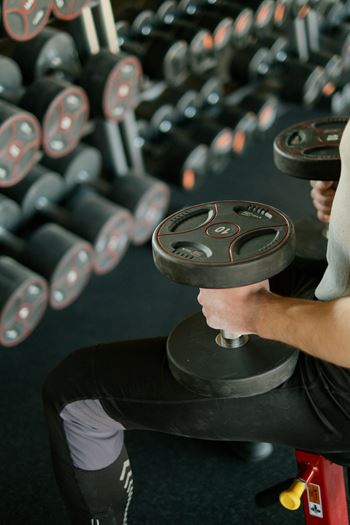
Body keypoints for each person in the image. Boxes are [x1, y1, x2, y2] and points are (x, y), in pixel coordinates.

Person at [42, 120, 350, 525]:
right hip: (335, 299)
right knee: (249, 264)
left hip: (338, 386)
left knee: (75, 394)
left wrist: (255, 313)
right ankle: (252, 435)